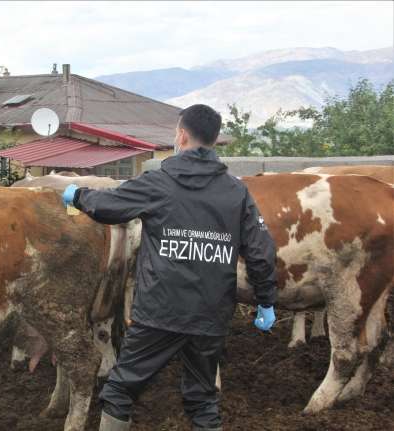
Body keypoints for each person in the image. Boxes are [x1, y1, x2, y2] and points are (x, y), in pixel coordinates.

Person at [62, 104, 277, 431]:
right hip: (211, 314)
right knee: (203, 399)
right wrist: (265, 300)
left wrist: (76, 195)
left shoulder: (159, 182)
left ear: (181, 135)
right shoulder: (237, 191)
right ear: (215, 140)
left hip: (160, 312)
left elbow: (109, 206)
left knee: (120, 389)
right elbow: (261, 251)